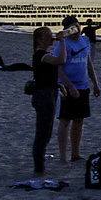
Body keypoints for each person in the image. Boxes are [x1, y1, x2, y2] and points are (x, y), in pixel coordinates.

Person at [53, 15, 100, 162]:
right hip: (67, 87)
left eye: (77, 26)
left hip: (83, 85)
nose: (76, 29)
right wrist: (70, 87)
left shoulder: (85, 40)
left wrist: (95, 83)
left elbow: (88, 63)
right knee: (65, 120)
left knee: (79, 120)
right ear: (67, 30)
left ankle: (75, 153)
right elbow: (58, 69)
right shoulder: (62, 45)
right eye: (72, 27)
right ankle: (63, 156)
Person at [27, 26, 64, 176]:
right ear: (39, 39)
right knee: (43, 132)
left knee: (46, 132)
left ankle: (40, 166)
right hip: (44, 96)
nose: (51, 38)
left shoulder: (43, 55)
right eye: (47, 36)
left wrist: (59, 86)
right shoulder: (41, 55)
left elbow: (47, 76)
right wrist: (63, 43)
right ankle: (39, 168)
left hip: (48, 93)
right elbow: (60, 60)